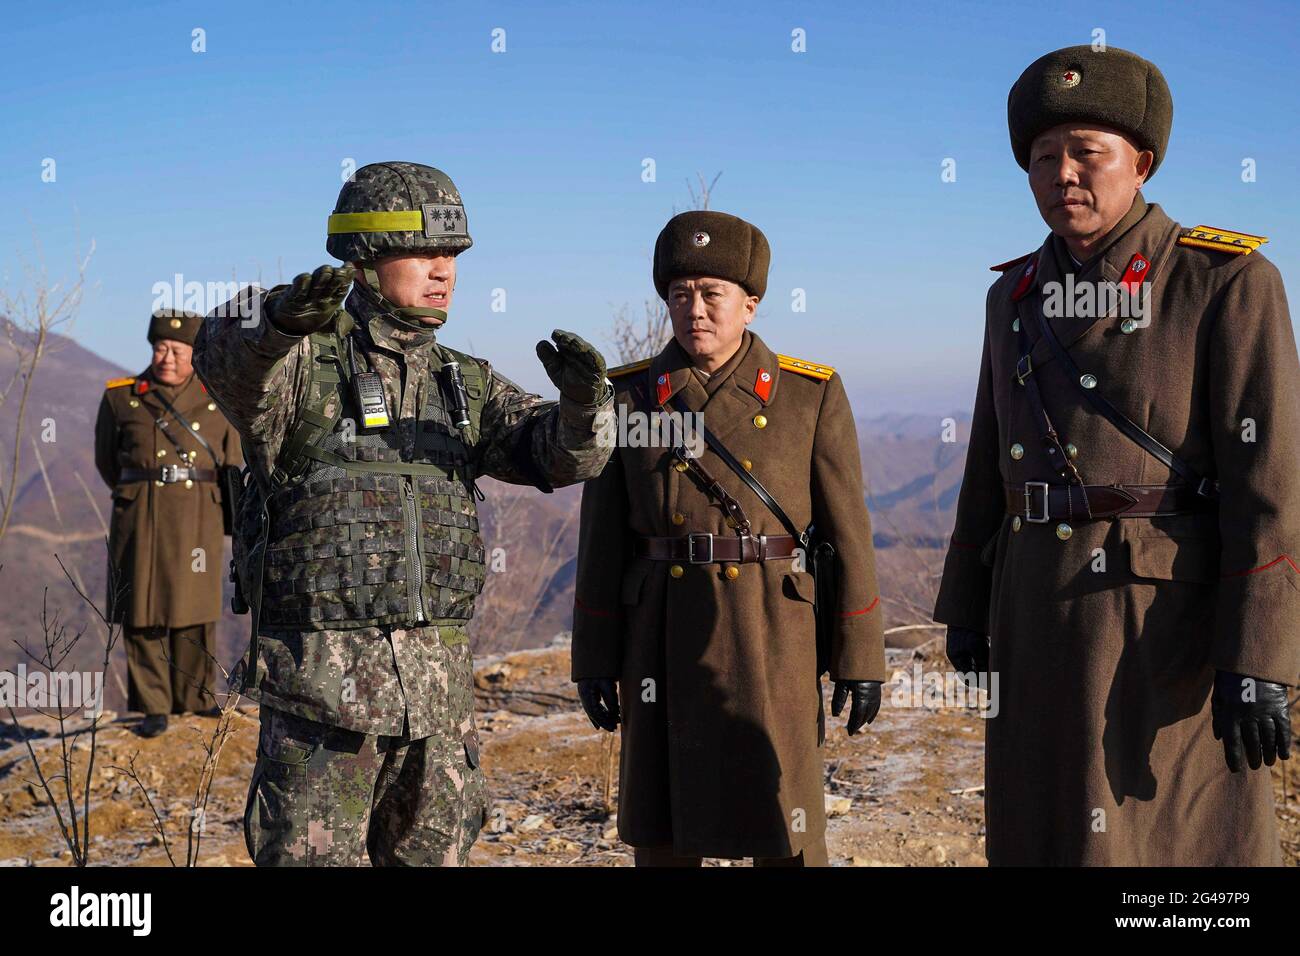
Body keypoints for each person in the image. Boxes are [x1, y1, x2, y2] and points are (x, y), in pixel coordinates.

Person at [935, 45, 1298, 865]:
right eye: (1042, 158)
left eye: (1085, 154)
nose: (1062, 174)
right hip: (1033, 606)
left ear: (1141, 163)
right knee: (1046, 821)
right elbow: (990, 457)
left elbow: (1269, 483)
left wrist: (1259, 659)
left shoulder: (1224, 281)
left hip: (1161, 620)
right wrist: (967, 599)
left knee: (1166, 837)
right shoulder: (1014, 295)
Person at [194, 161, 614, 866]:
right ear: (364, 257)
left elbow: (564, 459)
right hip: (323, 714)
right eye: (423, 252)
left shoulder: (462, 381)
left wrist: (583, 409)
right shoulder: (299, 366)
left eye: (451, 256)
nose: (443, 270)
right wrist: (275, 320)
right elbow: (221, 352)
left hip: (440, 713)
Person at [572, 210, 886, 866]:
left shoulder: (809, 395)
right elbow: (602, 542)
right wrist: (594, 656)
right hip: (661, 632)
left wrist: (860, 657)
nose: (695, 310)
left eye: (713, 294)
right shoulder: (628, 399)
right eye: (680, 295)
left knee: (785, 821)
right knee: (663, 826)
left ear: (751, 303)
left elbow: (848, 534)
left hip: (774, 629)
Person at [94, 309, 243, 738]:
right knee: (140, 609)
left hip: (199, 511)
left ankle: (195, 698)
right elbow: (108, 461)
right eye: (161, 348)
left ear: (193, 353)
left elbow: (232, 463)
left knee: (194, 608)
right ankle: (153, 706)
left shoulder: (217, 397)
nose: (167, 357)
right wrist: (140, 492)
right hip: (140, 512)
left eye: (177, 350)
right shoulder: (122, 397)